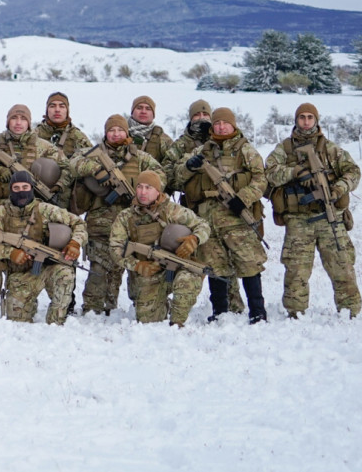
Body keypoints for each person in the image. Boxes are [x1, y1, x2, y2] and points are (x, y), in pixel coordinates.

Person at [265, 102, 362, 318]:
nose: (306, 121)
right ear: (296, 120)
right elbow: (269, 172)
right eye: (302, 117)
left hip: (331, 218)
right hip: (298, 220)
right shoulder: (284, 149)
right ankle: (295, 311)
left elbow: (353, 171)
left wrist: (338, 188)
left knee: (342, 266)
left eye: (310, 117)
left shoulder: (330, 149)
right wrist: (295, 172)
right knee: (296, 270)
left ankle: (349, 311)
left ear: (316, 120)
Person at [174, 107, 269, 324]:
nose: (221, 127)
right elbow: (177, 176)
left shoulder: (245, 150)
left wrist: (243, 198)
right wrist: (189, 166)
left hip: (235, 216)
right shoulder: (202, 150)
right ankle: (220, 311)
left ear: (233, 125)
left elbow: (261, 179)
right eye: (217, 124)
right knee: (214, 263)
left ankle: (257, 311)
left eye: (225, 123)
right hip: (208, 218)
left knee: (248, 262)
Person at [0, 104, 68, 312]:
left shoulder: (42, 146)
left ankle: (31, 297)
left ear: (29, 122)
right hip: (0, 208)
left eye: (22, 119)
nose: (18, 123)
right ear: (8, 121)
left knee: (36, 251)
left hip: (33, 210)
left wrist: (58, 186)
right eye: (14, 119)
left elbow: (66, 168)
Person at [69, 114, 164, 315]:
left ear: (127, 132)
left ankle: (135, 306)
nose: (116, 134)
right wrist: (96, 169)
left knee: (131, 265)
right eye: (111, 130)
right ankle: (93, 308)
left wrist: (141, 190)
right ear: (105, 133)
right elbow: (73, 164)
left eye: (120, 130)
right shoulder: (93, 153)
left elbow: (160, 175)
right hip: (100, 221)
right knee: (100, 266)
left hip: (134, 222)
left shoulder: (140, 158)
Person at [167, 99, 244, 315]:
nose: (201, 120)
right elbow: (168, 176)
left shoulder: (224, 140)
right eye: (196, 116)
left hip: (226, 209)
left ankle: (233, 305)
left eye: (205, 116)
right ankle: (183, 304)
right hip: (194, 209)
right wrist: (188, 167)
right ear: (190, 119)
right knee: (200, 258)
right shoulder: (180, 145)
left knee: (228, 258)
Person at [0, 170, 86, 324]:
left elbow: (79, 223)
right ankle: (29, 304)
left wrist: (75, 243)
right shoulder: (1, 213)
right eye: (16, 188)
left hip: (50, 269)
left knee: (66, 274)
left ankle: (56, 323)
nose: (21, 192)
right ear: (11, 190)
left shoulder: (45, 210)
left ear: (32, 188)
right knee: (17, 321)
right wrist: (10, 253)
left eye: (25, 187)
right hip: (21, 275)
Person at [109, 170, 211, 327]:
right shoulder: (125, 217)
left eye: (148, 188)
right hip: (148, 273)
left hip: (177, 267)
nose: (143, 192)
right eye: (140, 187)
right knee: (146, 320)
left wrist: (195, 239)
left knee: (188, 279)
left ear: (158, 191)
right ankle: (163, 305)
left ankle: (177, 322)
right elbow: (115, 249)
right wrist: (137, 265)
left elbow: (203, 225)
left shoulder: (172, 210)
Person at [33, 92, 92, 160]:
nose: (57, 110)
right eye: (52, 106)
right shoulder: (34, 134)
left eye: (62, 106)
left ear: (67, 111)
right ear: (47, 110)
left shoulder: (78, 137)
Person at [128, 95, 173, 171]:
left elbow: (171, 166)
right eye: (139, 108)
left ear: (153, 114)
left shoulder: (163, 140)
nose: (143, 111)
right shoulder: (120, 134)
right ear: (132, 112)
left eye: (148, 109)